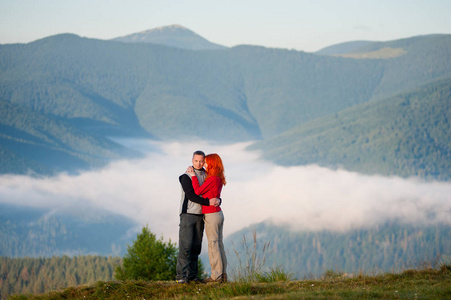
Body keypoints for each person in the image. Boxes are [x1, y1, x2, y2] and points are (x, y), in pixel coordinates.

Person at [176, 150, 220, 284]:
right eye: (196, 161)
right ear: (192, 160)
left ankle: (192, 276)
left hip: (201, 215)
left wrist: (218, 200)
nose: (199, 163)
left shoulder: (207, 176)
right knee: (186, 246)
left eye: (201, 161)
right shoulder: (186, 176)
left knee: (196, 247)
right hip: (188, 214)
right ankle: (181, 277)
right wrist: (208, 202)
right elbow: (191, 196)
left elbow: (212, 192)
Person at [187, 153, 227, 283]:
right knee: (219, 244)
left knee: (213, 244)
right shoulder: (218, 178)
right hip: (218, 213)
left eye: (206, 162)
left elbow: (197, 191)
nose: (204, 164)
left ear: (213, 164)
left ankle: (216, 276)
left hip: (211, 214)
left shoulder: (212, 179)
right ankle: (222, 275)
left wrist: (193, 176)